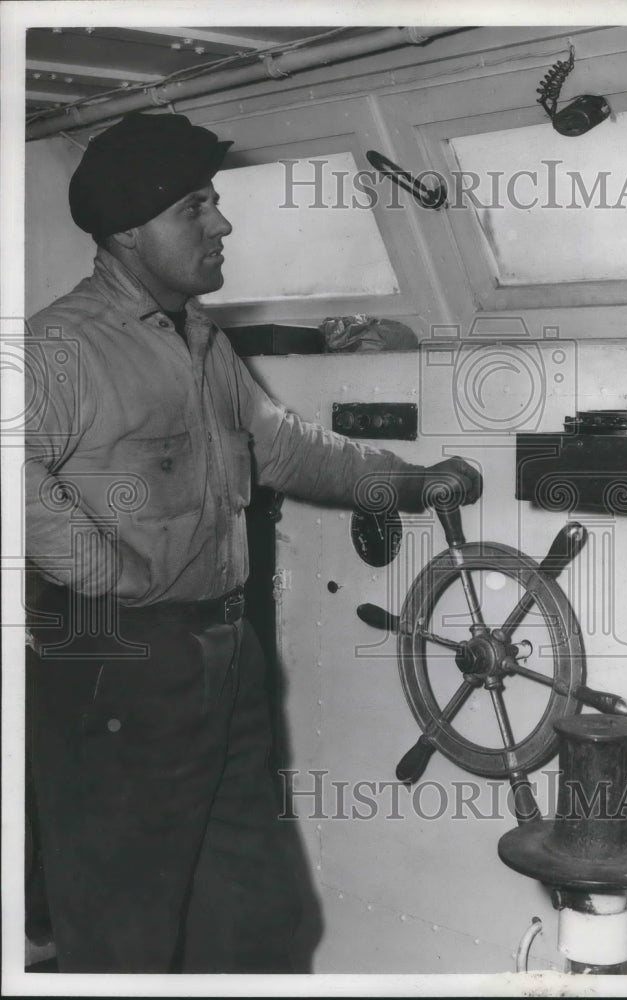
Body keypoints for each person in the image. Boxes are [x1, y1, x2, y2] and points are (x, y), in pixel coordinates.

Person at [24, 112, 482, 974]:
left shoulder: (201, 339)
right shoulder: (61, 348)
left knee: (252, 920)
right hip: (121, 666)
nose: (221, 224)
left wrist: (413, 482)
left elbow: (286, 448)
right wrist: (105, 572)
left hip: (224, 659)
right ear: (128, 229)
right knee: (125, 931)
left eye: (215, 203)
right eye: (195, 207)